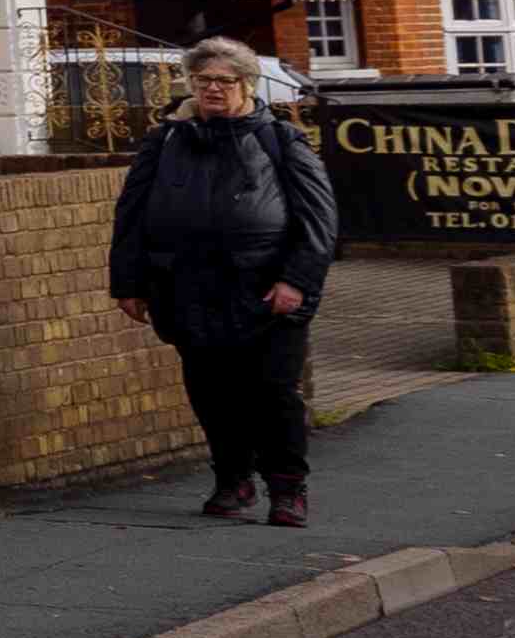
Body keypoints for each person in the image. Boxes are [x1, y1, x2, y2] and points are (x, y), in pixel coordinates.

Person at [108, 38, 345, 528]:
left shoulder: (279, 140)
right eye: (203, 80)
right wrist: (128, 283)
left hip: (265, 291)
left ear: (246, 85)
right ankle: (232, 481)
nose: (213, 88)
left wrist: (296, 282)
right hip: (188, 288)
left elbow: (318, 221)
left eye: (224, 80)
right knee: (213, 392)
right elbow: (130, 217)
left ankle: (286, 490)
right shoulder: (165, 141)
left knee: (274, 392)